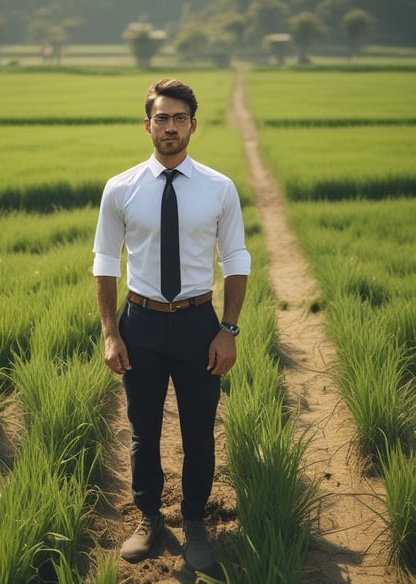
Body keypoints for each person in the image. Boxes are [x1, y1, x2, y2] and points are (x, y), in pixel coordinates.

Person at [92, 78, 251, 572]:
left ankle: (196, 522)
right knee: (143, 430)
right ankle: (149, 518)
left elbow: (238, 259)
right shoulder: (120, 189)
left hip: (197, 324)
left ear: (193, 126)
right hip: (139, 323)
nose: (170, 127)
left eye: (180, 118)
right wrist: (110, 332)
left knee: (199, 430)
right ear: (148, 125)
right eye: (161, 118)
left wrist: (229, 329)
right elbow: (104, 261)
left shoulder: (219, 188)